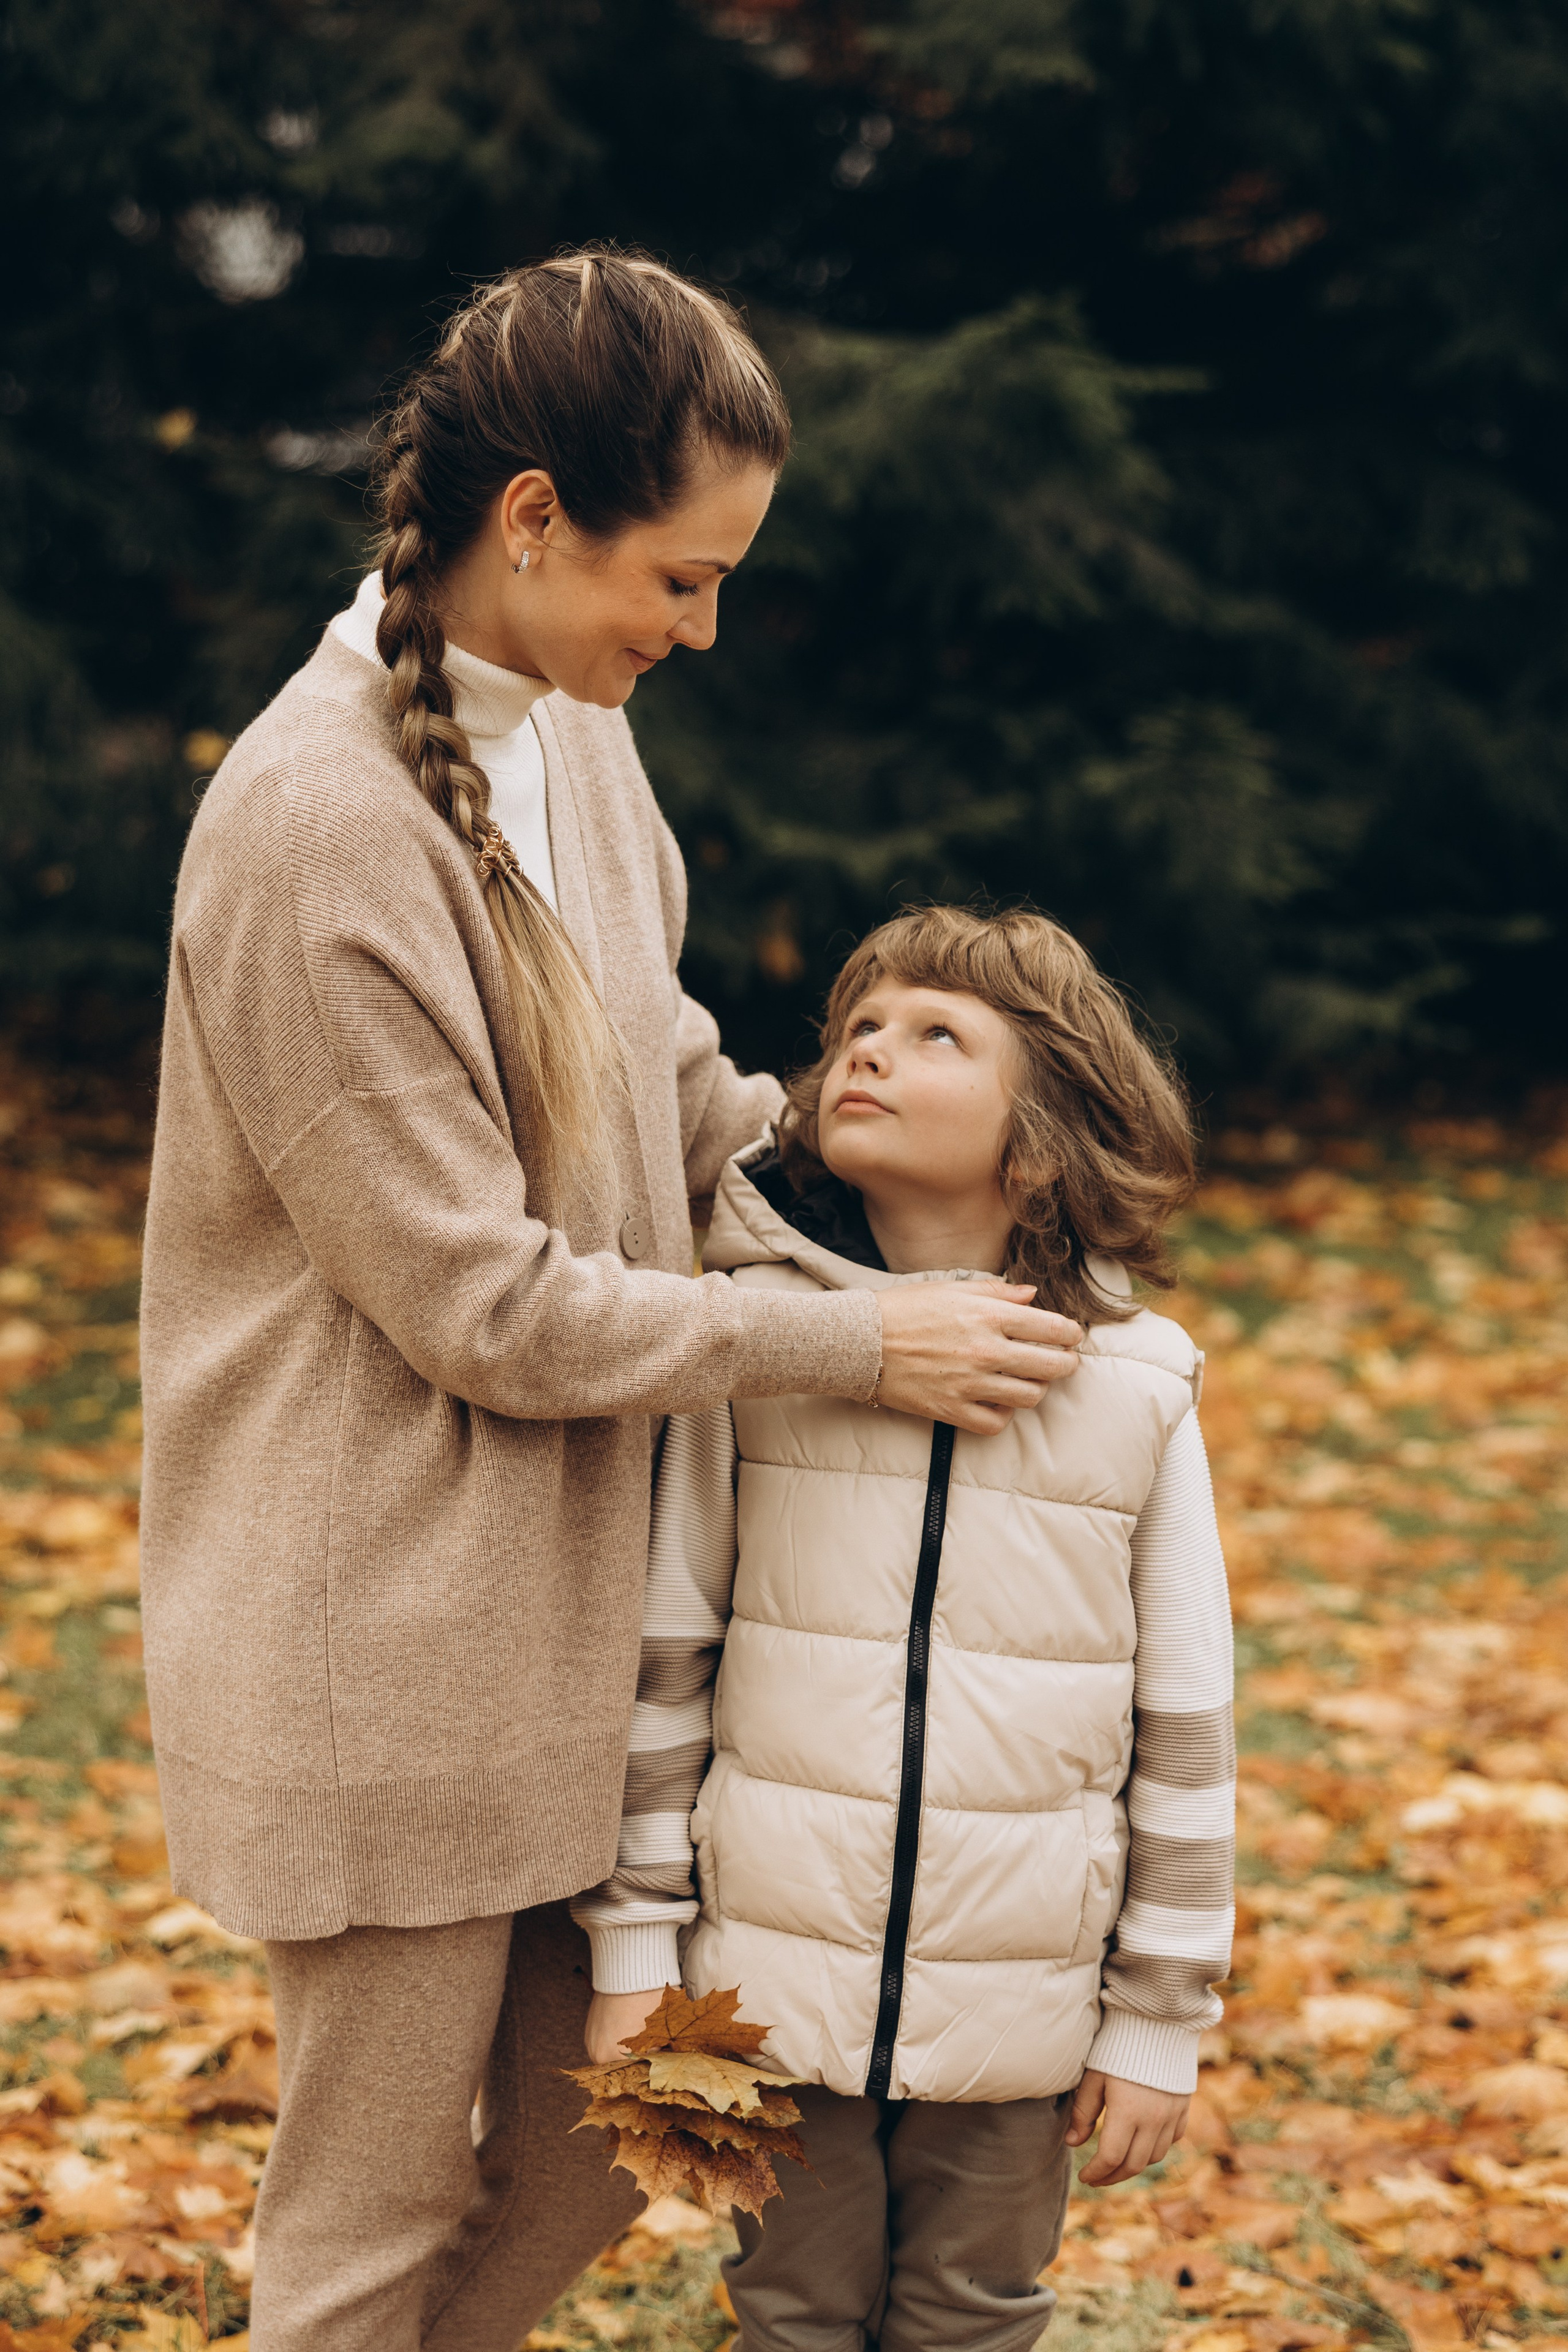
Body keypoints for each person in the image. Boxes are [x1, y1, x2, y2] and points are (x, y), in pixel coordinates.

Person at [137, 258, 1087, 2352]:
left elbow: (659, 1075)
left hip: (580, 1625)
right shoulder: (314, 829)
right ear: (536, 515)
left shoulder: (572, 742)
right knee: (371, 2218)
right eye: (685, 572)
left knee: (605, 2142)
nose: (706, 626)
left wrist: (891, 1165)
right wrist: (859, 1344)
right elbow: (480, 1303)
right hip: (376, 1635)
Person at [574, 905, 1235, 2352]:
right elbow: (666, 1660)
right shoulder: (753, 1348)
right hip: (767, 1991)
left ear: (1041, 1140)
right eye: (858, 1029)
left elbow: (1184, 1725)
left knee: (972, 2319)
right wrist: (635, 1955)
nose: (871, 1050)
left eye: (938, 1036)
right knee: (790, 2314)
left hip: (1020, 2007)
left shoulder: (1134, 1388)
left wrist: (1156, 2016)